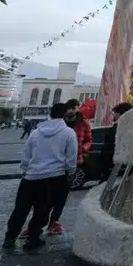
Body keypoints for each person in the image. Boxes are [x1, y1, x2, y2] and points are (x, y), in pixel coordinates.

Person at [3, 102, 76, 251]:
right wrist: (70, 172)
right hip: (54, 177)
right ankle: (33, 239)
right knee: (42, 210)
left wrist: (26, 169)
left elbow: (26, 154)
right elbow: (71, 157)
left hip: (31, 177)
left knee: (20, 209)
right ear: (64, 115)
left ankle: (10, 237)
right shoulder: (68, 133)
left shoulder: (36, 132)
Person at [45, 99, 92, 235]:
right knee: (48, 196)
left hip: (74, 162)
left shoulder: (84, 124)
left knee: (62, 196)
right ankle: (39, 222)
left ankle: (54, 221)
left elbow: (89, 140)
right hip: (55, 162)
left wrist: (82, 149)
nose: (72, 110)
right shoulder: (60, 122)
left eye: (75, 108)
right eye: (70, 108)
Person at [101, 102, 133, 178]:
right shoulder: (125, 127)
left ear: (120, 114)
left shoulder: (120, 128)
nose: (113, 115)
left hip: (116, 167)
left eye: (115, 113)